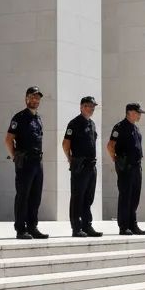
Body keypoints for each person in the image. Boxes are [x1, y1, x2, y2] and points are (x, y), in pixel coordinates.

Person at [5, 86, 48, 240]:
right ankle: (20, 228)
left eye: (38, 98)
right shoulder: (19, 117)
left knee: (36, 196)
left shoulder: (38, 118)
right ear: (26, 98)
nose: (35, 100)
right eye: (32, 97)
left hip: (38, 162)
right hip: (25, 162)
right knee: (23, 195)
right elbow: (9, 140)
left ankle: (32, 226)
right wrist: (15, 157)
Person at [63, 95, 103, 238]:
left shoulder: (91, 124)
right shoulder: (74, 123)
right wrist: (70, 159)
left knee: (88, 198)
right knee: (77, 197)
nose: (91, 109)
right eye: (88, 106)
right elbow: (65, 144)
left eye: (93, 106)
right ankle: (76, 227)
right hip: (80, 166)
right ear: (81, 107)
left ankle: (87, 225)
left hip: (91, 166)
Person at [108, 103, 145, 235]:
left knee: (135, 197)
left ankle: (133, 225)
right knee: (125, 196)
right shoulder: (120, 127)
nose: (140, 115)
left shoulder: (135, 128)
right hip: (126, 168)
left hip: (136, 167)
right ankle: (124, 226)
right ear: (130, 112)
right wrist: (116, 159)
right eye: (138, 112)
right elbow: (110, 146)